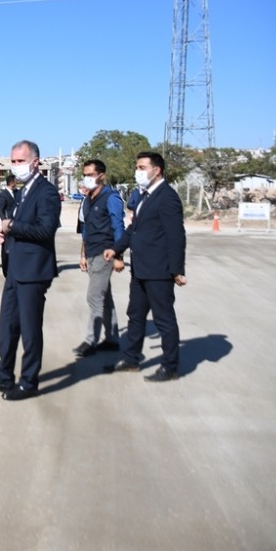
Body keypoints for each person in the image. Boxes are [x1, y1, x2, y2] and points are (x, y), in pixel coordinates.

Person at [0, 140, 61, 401]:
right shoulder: (23, 192)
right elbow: (21, 226)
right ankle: (3, 375)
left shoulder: (46, 192)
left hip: (34, 271)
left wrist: (12, 226)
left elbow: (45, 230)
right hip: (15, 268)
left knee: (30, 330)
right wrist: (7, 235)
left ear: (35, 162)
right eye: (13, 161)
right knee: (7, 326)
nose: (15, 166)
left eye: (20, 161)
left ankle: (28, 382)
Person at [103, 151, 187, 381]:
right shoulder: (144, 195)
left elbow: (176, 236)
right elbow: (134, 229)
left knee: (164, 320)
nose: (137, 172)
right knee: (136, 315)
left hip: (159, 271)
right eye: (137, 167)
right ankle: (131, 359)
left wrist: (177, 270)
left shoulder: (167, 197)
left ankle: (170, 367)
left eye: (142, 168)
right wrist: (116, 249)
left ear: (156, 170)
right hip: (140, 269)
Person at [73, 159, 125, 358]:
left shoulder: (111, 197)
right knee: (105, 297)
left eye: (91, 175)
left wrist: (118, 255)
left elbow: (118, 227)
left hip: (105, 253)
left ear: (102, 176)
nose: (87, 178)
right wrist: (83, 254)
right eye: (85, 175)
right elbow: (86, 229)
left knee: (94, 297)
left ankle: (90, 340)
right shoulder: (88, 199)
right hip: (91, 253)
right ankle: (112, 339)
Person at [0, 174, 19, 276]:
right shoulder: (3, 194)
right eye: (16, 181)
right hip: (8, 224)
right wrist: (5, 222)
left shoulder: (17, 192)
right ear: (12, 182)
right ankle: (6, 270)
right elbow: (0, 210)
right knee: (6, 247)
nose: (17, 183)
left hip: (17, 224)